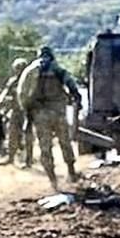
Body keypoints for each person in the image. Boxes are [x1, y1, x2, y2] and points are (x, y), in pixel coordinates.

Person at [17, 46, 82, 190]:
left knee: (45, 146)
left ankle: (53, 180)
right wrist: (76, 96)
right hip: (58, 111)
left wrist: (27, 110)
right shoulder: (56, 68)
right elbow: (70, 82)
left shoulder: (30, 70)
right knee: (65, 142)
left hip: (39, 114)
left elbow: (22, 92)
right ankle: (71, 172)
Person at [0, 57, 33, 166]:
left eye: (20, 69)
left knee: (27, 135)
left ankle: (28, 160)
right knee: (12, 133)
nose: (18, 71)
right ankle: (11, 158)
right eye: (17, 69)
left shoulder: (30, 81)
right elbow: (5, 93)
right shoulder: (13, 81)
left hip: (28, 111)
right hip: (16, 110)